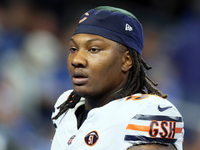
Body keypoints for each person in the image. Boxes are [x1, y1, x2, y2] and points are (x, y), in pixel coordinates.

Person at [51, 6, 184, 150]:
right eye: (73, 49)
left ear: (127, 60)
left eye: (93, 49)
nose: (77, 60)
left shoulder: (147, 112)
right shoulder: (66, 104)